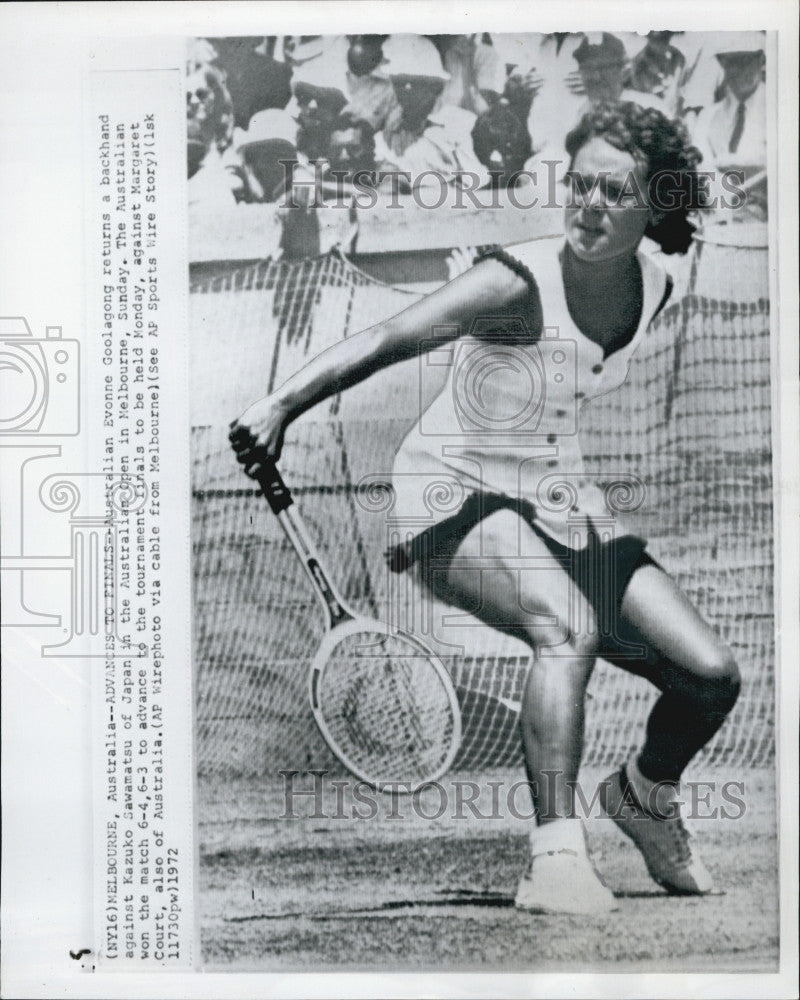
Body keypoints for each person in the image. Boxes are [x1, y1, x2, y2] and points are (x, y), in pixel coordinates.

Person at [230, 101, 740, 915]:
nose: (588, 205)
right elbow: (384, 339)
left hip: (556, 497)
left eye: (614, 190)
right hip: (452, 493)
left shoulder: (658, 285)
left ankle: (644, 795)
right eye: (578, 185)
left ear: (654, 204)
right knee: (565, 628)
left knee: (710, 679)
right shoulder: (514, 279)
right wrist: (277, 408)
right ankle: (555, 859)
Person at [375, 34, 489, 193]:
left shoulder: (459, 125)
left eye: (416, 83)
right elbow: (384, 184)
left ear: (435, 87)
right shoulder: (386, 139)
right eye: (400, 83)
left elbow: (479, 184)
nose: (407, 89)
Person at [691, 33, 767, 221]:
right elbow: (701, 168)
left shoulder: (780, 110)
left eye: (745, 61)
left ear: (761, 60)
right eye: (731, 62)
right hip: (718, 220)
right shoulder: (708, 116)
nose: (738, 70)